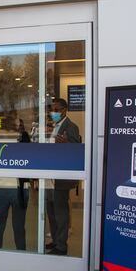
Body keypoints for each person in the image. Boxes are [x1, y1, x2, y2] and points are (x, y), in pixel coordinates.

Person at [46, 98, 81, 255]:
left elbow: (76, 151)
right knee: (51, 210)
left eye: (57, 109)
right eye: (52, 109)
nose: (54, 112)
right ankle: (55, 240)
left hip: (62, 176)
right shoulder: (54, 126)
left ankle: (61, 246)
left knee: (61, 212)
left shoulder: (71, 127)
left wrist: (67, 144)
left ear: (65, 110)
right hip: (51, 175)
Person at [0, 118, 30, 250]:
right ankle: (17, 252)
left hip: (17, 188)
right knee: (4, 222)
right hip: (5, 187)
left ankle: (19, 252)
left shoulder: (22, 138)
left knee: (12, 224)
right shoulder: (0, 139)